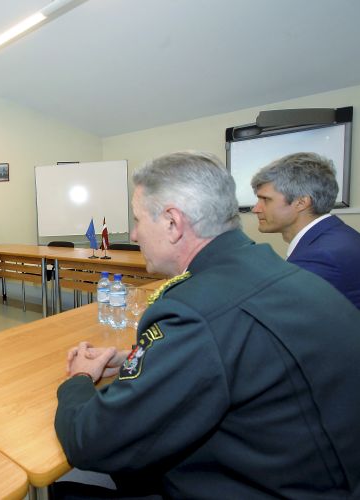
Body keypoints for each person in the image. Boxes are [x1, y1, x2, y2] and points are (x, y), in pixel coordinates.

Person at [54, 151, 360, 499]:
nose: (135, 234)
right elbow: (240, 356)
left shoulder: (193, 311)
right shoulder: (275, 269)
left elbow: (90, 441)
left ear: (173, 223)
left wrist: (78, 379)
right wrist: (146, 359)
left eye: (138, 220)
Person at [251, 152, 360, 308]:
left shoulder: (318, 258)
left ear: (301, 203)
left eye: (266, 200)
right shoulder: (340, 235)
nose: (256, 209)